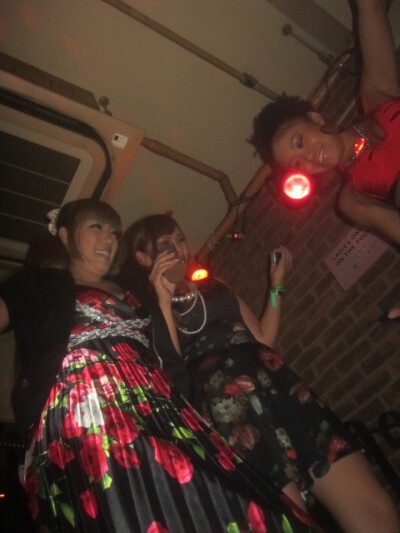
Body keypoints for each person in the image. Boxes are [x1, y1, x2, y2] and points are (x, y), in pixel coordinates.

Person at [0, 198, 317, 533]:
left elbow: (170, 360)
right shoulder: (39, 283)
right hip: (88, 410)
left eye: (114, 232)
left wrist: (162, 301)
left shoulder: (134, 289)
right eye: (97, 227)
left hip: (158, 407)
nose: (109, 239)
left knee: (229, 501)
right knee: (133, 509)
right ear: (65, 235)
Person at [122, 212, 400, 533]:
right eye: (164, 244)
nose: (177, 248)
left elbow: (263, 338)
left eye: (180, 239)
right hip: (228, 409)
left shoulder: (214, 285)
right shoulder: (145, 310)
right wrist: (162, 299)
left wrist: (276, 283)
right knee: (291, 520)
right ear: (143, 257)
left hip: (275, 384)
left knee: (376, 511)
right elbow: (171, 373)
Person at [249, 0, 400, 251]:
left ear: (316, 119)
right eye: (298, 164)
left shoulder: (376, 96)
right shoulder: (351, 199)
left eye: (299, 141)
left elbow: (370, 7)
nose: (308, 157)